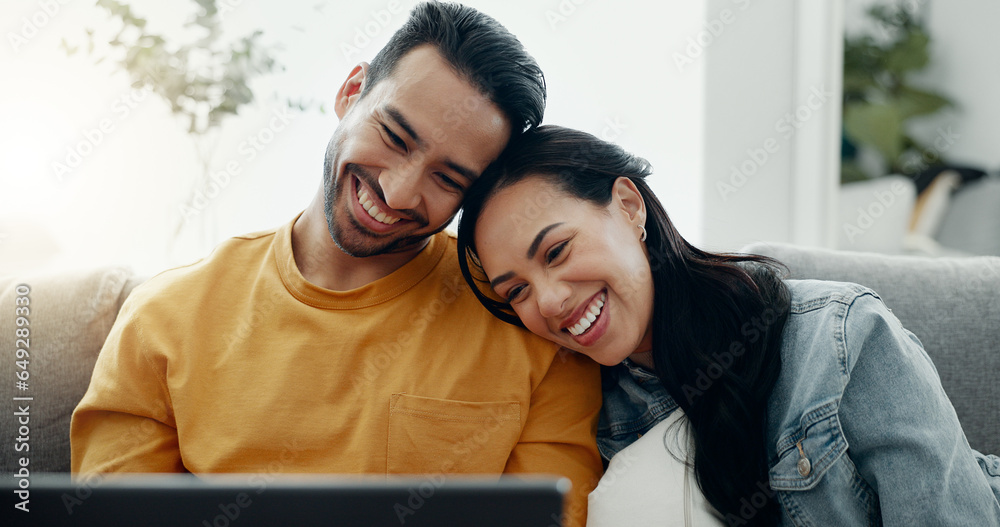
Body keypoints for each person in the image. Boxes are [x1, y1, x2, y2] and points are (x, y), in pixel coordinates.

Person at [71, 5, 603, 526]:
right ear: (352, 93)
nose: (397, 192)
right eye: (394, 137)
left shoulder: (534, 329)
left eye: (447, 179)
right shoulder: (163, 319)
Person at [457, 125, 1000, 526]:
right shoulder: (582, 411)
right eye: (517, 291)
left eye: (556, 250)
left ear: (627, 206)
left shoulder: (839, 338)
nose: (549, 302)